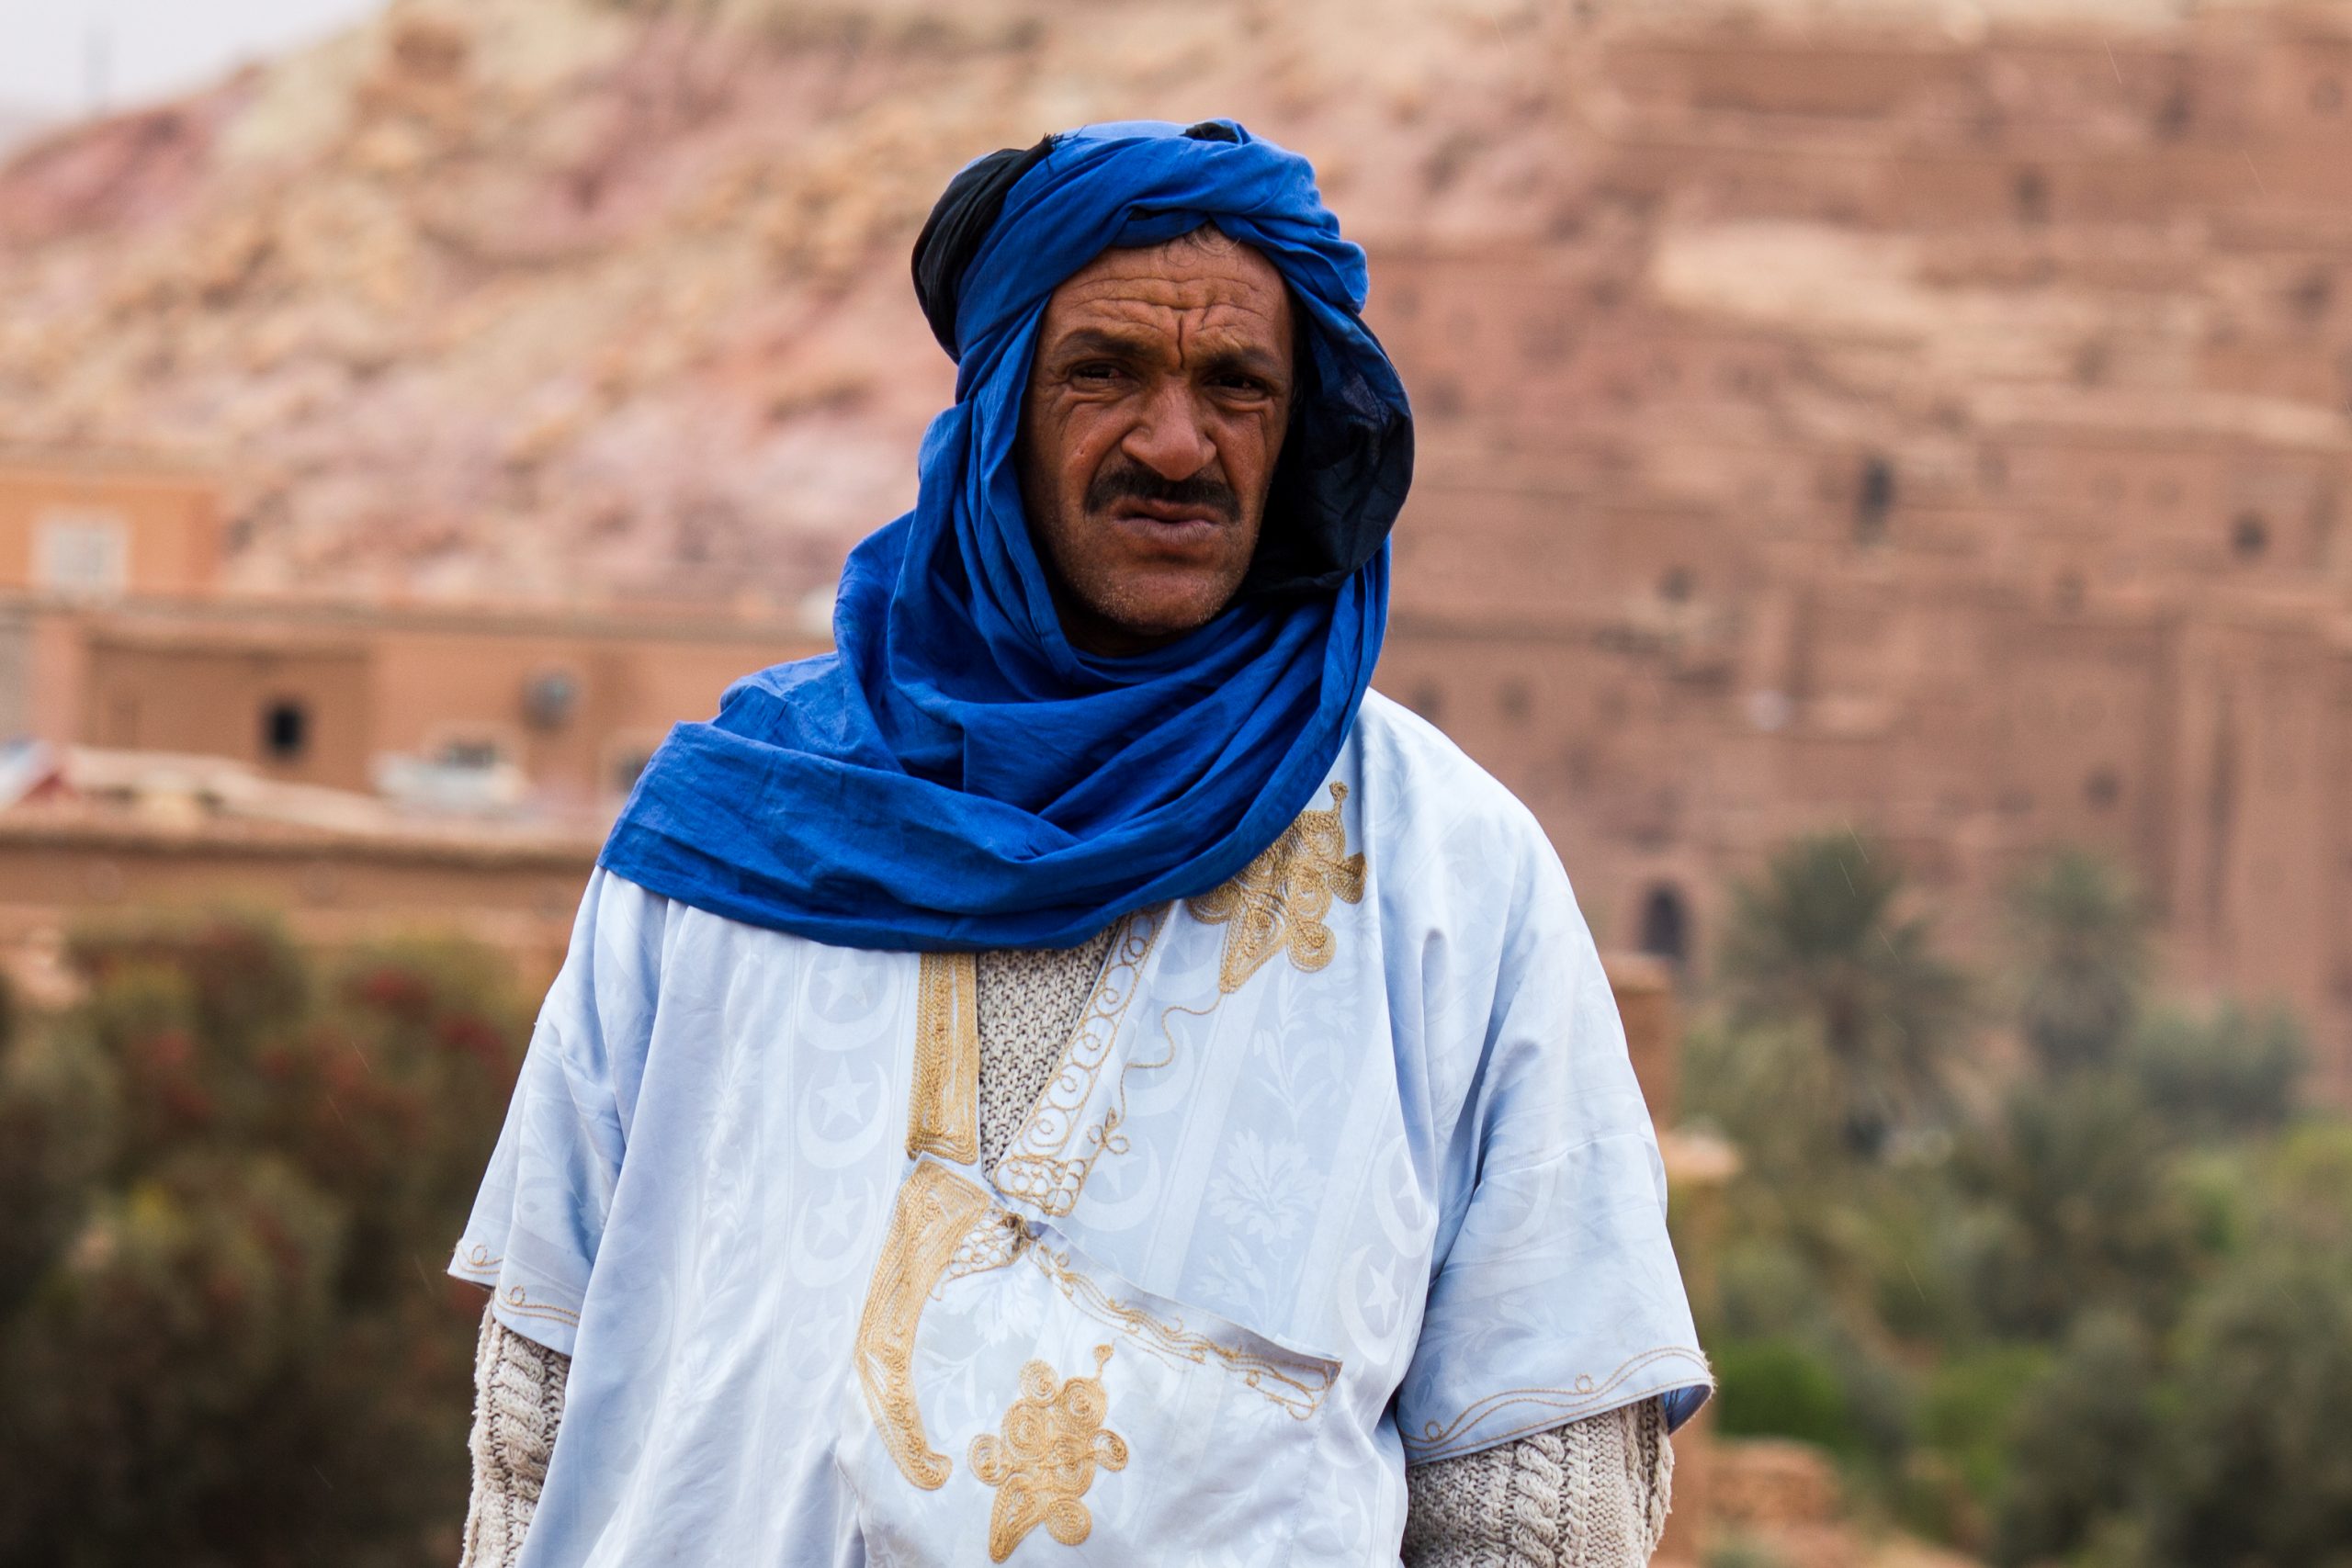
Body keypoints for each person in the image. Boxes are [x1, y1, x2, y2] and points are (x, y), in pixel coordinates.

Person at [450, 118, 1710, 1567]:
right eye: (1104, 374)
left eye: (1236, 387)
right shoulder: (726, 839)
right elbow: (538, 1416)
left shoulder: (1453, 880)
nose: (1176, 446)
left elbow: (1536, 1494)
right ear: (1000, 418)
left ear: (1300, 432)